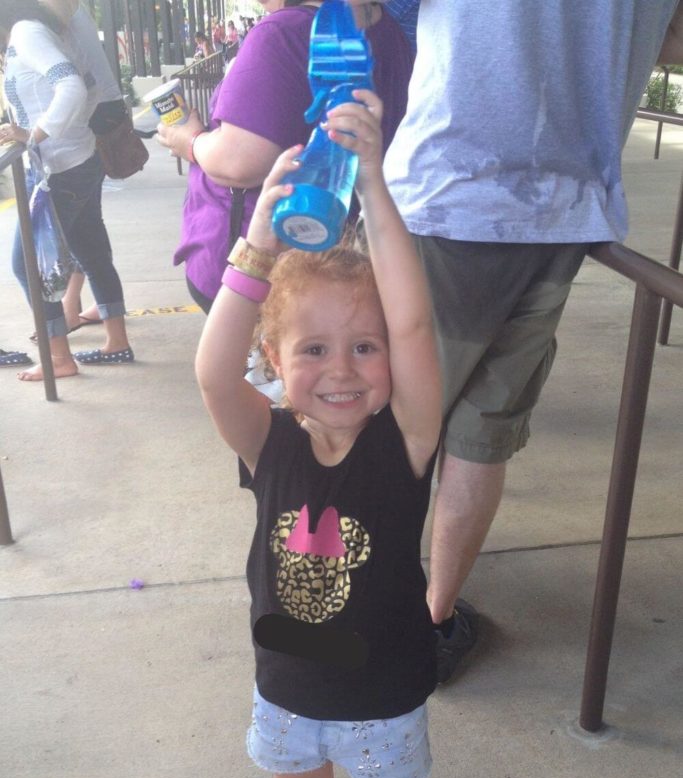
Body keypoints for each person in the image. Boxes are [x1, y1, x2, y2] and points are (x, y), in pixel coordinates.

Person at [196, 91, 445, 778]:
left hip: (383, 693)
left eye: (364, 346)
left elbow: (417, 328)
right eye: (313, 348)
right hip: (288, 686)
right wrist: (257, 237)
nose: (342, 369)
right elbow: (214, 372)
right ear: (275, 356)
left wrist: (374, 184)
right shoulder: (270, 443)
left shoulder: (407, 439)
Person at [382, 0, 683, 683]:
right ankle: (431, 619)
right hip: (565, 210)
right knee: (479, 431)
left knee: (391, 421)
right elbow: (671, 42)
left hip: (444, 189)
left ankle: (363, 609)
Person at [157, 0, 412, 313]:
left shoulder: (282, 33)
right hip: (336, 260)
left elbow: (238, 162)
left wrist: (189, 141)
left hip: (263, 266)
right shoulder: (384, 28)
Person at [0, 0, 133, 380]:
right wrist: (71, 133)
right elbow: (89, 86)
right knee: (90, 251)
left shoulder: (26, 34)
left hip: (58, 170)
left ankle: (59, 357)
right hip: (78, 160)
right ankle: (117, 341)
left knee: (28, 265)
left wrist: (36, 134)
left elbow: (72, 86)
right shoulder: (45, 31)